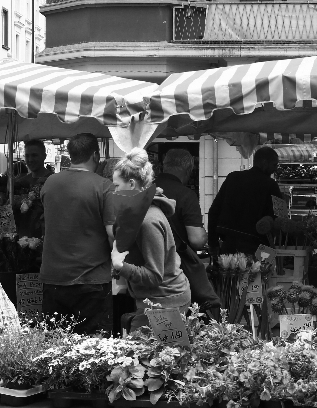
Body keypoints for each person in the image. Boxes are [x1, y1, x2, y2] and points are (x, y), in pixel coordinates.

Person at [39, 134, 116, 335]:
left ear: (70, 155)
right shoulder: (104, 186)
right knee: (95, 347)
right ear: (95, 155)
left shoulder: (50, 183)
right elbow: (112, 234)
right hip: (91, 278)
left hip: (54, 278)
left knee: (56, 347)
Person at [110, 149, 191, 331]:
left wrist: (120, 266)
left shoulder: (147, 220)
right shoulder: (140, 213)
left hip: (165, 303)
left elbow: (154, 276)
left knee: (142, 358)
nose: (113, 191)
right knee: (156, 357)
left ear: (131, 184)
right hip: (160, 300)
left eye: (116, 186)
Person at [155, 149, 221, 316]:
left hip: (144, 267)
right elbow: (197, 240)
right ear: (188, 169)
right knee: (178, 318)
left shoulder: (146, 189)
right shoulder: (185, 194)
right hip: (174, 270)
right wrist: (206, 236)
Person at [207, 146, 283, 254]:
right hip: (260, 246)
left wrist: (213, 243)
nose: (275, 169)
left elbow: (214, 211)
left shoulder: (232, 178)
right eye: (274, 165)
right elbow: (279, 218)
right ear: (264, 162)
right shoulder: (271, 185)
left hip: (229, 245)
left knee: (229, 271)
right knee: (263, 270)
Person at [12, 140, 52, 238]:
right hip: (21, 239)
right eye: (27, 156)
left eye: (34, 155)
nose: (30, 159)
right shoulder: (20, 182)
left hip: (45, 238)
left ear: (44, 156)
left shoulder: (52, 181)